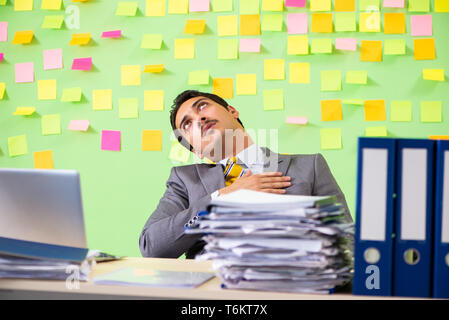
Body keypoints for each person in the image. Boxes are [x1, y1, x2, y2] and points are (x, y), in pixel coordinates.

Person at [139, 90, 353, 259]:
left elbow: (346, 242)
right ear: (194, 149)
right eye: (187, 124)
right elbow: (152, 246)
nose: (199, 118)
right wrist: (221, 198)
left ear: (232, 111)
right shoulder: (184, 181)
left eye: (202, 106)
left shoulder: (309, 166)